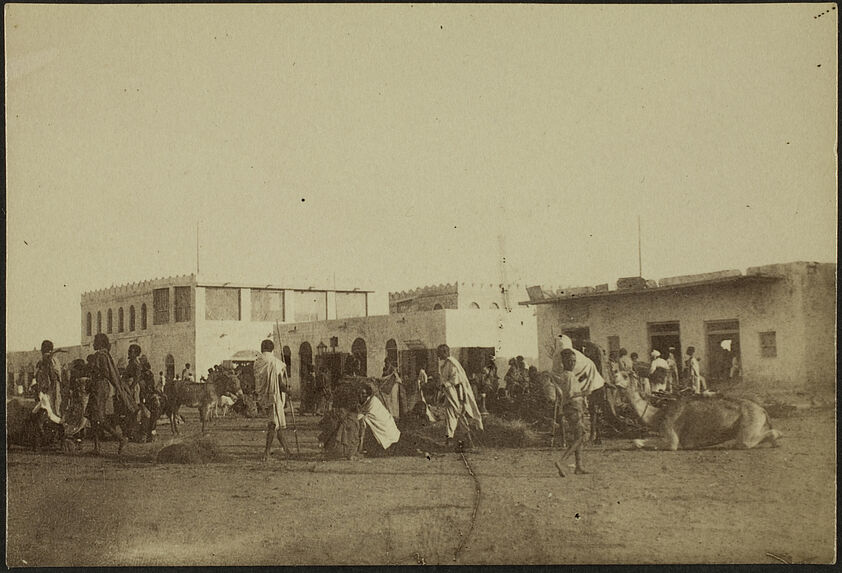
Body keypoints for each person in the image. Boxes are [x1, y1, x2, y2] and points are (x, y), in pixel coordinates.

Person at [88, 333, 138, 454]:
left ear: (99, 343)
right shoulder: (104, 355)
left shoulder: (101, 356)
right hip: (97, 387)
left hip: (100, 387)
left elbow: (106, 373)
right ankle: (97, 447)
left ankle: (121, 439)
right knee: (93, 417)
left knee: (99, 417)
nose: (93, 343)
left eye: (95, 341)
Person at [437, 344, 484, 447]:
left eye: (439, 352)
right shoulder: (444, 364)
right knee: (451, 416)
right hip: (449, 395)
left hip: (457, 395)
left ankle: (465, 440)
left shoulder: (452, 364)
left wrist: (461, 400)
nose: (438, 355)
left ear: (445, 352)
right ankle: (451, 439)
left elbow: (457, 382)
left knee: (459, 416)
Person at [254, 339, 293, 461]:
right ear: (272, 349)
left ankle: (287, 451)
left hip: (264, 397)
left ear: (262, 349)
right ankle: (266, 453)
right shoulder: (275, 363)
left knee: (278, 424)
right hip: (275, 396)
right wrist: (288, 391)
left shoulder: (258, 362)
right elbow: (280, 383)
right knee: (273, 424)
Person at [552, 349, 589, 476]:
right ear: (564, 362)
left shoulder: (564, 375)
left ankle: (579, 466)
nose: (572, 363)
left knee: (578, 435)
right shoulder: (569, 375)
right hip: (573, 407)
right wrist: (584, 392)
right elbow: (570, 394)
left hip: (570, 408)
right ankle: (562, 461)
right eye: (570, 361)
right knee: (581, 436)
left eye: (574, 361)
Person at [33, 340, 63, 421]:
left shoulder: (46, 360)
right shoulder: (54, 359)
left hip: (47, 388)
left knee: (48, 408)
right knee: (53, 408)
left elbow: (49, 375)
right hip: (52, 387)